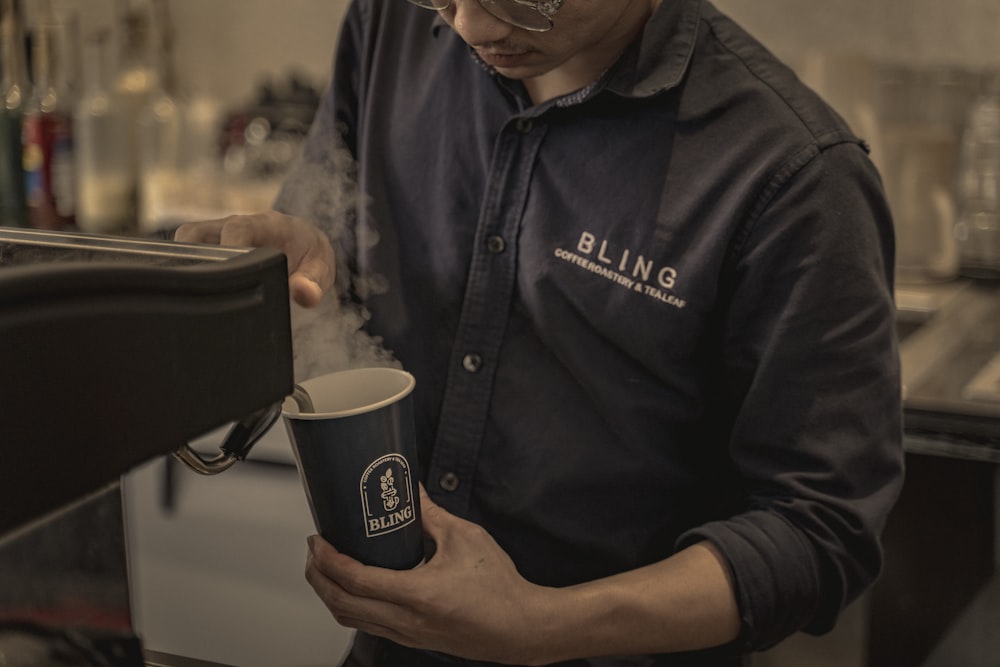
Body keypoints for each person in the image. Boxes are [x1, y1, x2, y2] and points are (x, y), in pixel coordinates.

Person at [176, 0, 904, 664]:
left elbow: (818, 527)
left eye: (524, 0)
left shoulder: (794, 176)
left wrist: (542, 623)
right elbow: (335, 228)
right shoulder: (388, 24)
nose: (468, 28)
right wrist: (306, 260)